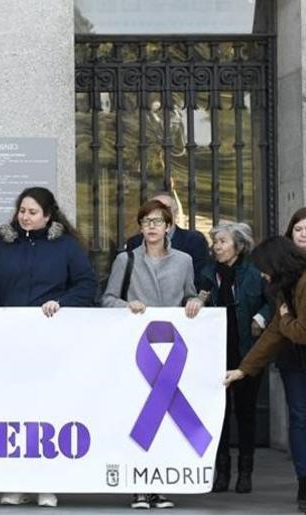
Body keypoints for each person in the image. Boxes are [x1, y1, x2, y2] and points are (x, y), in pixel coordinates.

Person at [0, 187, 96, 509]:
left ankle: (48, 483)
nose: (25, 217)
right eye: (22, 211)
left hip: (51, 345)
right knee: (13, 414)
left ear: (48, 216)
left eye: (33, 212)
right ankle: (16, 482)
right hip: (10, 345)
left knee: (46, 413)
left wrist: (61, 302)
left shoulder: (66, 247)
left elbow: (87, 286)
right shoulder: (1, 247)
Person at [100, 199, 203, 510]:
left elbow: (190, 292)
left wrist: (195, 300)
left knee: (166, 420)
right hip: (137, 350)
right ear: (140, 227)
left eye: (158, 221)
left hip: (171, 349)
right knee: (139, 415)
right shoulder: (126, 260)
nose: (152, 227)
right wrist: (126, 306)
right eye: (146, 222)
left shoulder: (184, 260)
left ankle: (160, 486)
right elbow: (106, 299)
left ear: (169, 226)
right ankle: (138, 488)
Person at [225, 237, 306, 513]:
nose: (262, 273)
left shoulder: (304, 283)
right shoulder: (284, 287)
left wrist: (285, 318)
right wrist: (243, 370)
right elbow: (274, 333)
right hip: (297, 362)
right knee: (300, 420)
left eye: (264, 267)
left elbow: (300, 332)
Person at [199, 222, 267, 494]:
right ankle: (222, 471)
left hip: (246, 352)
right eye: (215, 242)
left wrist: (260, 317)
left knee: (246, 413)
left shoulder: (255, 274)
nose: (217, 247)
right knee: (220, 414)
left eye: (223, 242)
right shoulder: (207, 273)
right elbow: (194, 298)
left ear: (238, 246)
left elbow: (270, 302)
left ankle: (246, 472)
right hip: (215, 353)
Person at [124, 191, 210, 288]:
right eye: (155, 208)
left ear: (175, 212)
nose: (160, 213)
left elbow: (200, 278)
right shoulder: (135, 242)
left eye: (165, 208)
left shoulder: (194, 240)